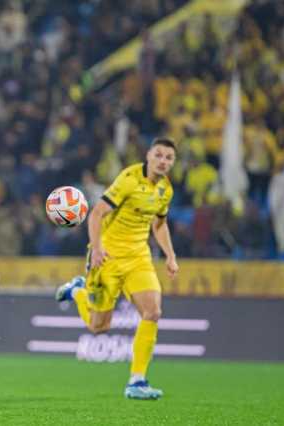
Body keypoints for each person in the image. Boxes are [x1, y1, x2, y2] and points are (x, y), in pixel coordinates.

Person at [56, 138, 179, 400]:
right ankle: (77, 291)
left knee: (153, 311)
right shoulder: (128, 179)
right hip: (108, 258)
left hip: (138, 258)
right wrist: (97, 248)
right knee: (98, 326)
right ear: (148, 155)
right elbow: (97, 213)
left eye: (169, 158)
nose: (163, 161)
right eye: (159, 155)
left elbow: (159, 224)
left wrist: (170, 255)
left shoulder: (165, 189)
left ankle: (137, 381)